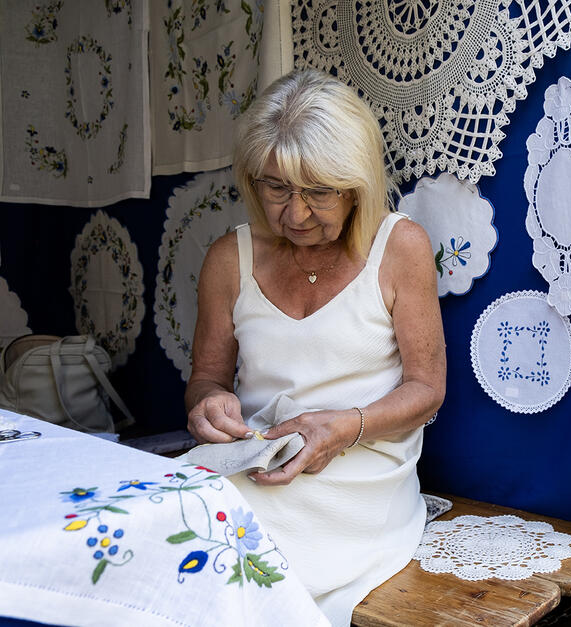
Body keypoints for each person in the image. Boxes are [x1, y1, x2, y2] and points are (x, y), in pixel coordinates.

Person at [184, 69, 446, 626]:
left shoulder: (399, 247)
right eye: (276, 189)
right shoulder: (229, 259)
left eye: (319, 193)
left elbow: (427, 390)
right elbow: (206, 379)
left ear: (357, 185)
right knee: (177, 539)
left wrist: (344, 427)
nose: (296, 214)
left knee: (244, 575)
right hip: (260, 466)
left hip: (361, 480)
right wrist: (209, 406)